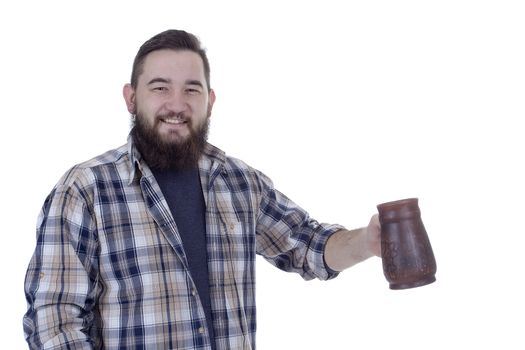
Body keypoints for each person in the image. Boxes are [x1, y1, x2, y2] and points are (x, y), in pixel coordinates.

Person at [23, 29, 381, 350]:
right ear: (131, 98)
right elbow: (53, 321)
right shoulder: (85, 190)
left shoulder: (240, 183)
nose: (176, 105)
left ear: (209, 101)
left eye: (190, 90)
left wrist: (367, 242)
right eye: (160, 87)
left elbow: (309, 246)